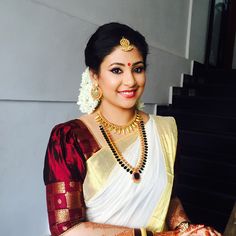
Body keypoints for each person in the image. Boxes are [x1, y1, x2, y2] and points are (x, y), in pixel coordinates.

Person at [43, 22, 222, 236]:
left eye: (137, 69)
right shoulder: (69, 139)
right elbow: (67, 230)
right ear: (94, 75)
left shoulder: (165, 131)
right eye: (116, 70)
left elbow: (169, 198)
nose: (130, 81)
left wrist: (186, 229)